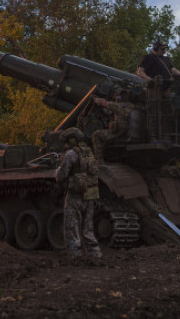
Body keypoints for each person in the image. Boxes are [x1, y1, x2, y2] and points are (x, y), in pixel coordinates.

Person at [55, 127, 102, 265]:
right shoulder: (89, 153)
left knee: (72, 227)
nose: (65, 145)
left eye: (66, 142)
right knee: (88, 228)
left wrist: (56, 171)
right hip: (89, 195)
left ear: (72, 140)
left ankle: (75, 257)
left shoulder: (70, 154)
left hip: (75, 195)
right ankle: (96, 254)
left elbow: (61, 176)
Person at [91, 90, 131, 164]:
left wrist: (94, 99)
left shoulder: (118, 106)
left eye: (117, 96)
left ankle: (100, 162)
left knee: (96, 135)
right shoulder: (131, 106)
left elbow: (102, 102)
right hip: (127, 133)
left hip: (120, 134)